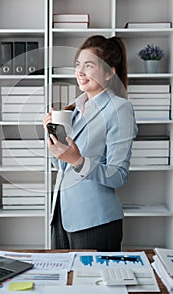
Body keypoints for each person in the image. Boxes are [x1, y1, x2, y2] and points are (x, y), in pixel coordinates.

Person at [43, 35, 138, 251]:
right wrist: (51, 137)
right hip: (61, 216)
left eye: (89, 65)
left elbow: (118, 175)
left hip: (95, 221)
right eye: (78, 65)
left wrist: (78, 160)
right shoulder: (74, 109)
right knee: (64, 283)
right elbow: (61, 166)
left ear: (109, 72)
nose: (80, 71)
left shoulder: (119, 108)